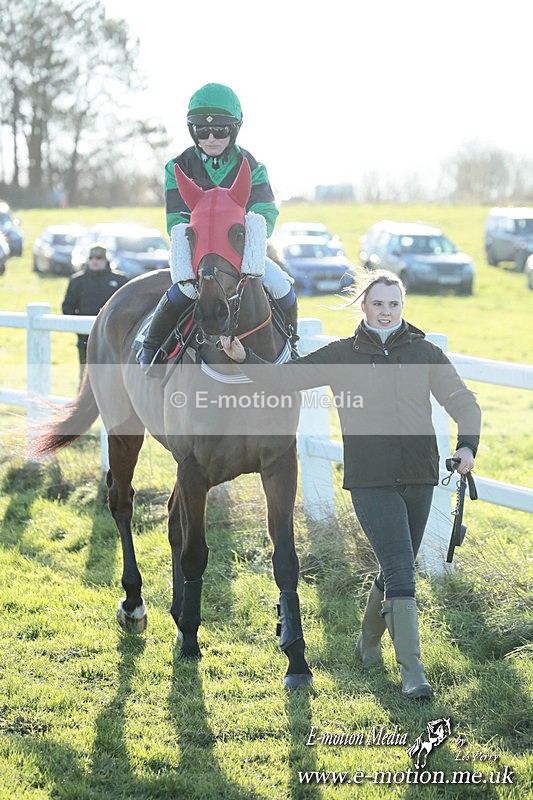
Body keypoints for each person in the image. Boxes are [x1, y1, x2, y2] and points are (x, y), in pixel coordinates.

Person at [220, 269, 481, 700]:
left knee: (397, 564)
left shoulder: (424, 353)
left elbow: (462, 401)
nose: (386, 312)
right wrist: (244, 358)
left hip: (419, 477)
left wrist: (467, 447)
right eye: (378, 304)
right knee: (402, 571)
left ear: (402, 307)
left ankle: (367, 643)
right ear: (363, 306)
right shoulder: (341, 354)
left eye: (393, 304)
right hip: (370, 481)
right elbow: (285, 380)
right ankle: (412, 671)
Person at [138, 82, 297, 370]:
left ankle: (292, 345)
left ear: (234, 129)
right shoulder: (177, 167)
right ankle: (151, 350)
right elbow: (177, 219)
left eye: (220, 130)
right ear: (192, 130)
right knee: (184, 290)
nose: (211, 138)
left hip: (240, 253)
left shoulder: (252, 165)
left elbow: (264, 213)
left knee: (281, 286)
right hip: (195, 252)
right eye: (202, 130)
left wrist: (244, 250)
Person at [62, 243, 128, 382]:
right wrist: (78, 329)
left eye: (98, 257)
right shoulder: (77, 281)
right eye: (91, 257)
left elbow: (126, 308)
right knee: (85, 378)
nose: (95, 260)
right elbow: (67, 307)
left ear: (105, 259)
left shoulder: (120, 280)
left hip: (112, 339)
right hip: (85, 339)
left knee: (112, 379)